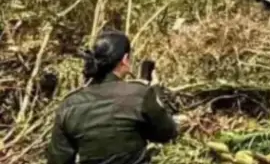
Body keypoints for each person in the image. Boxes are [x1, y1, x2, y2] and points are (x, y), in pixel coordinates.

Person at [45, 29, 179, 164]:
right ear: (125, 60)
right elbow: (167, 133)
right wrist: (156, 91)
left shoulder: (69, 104)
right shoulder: (139, 94)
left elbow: (57, 159)